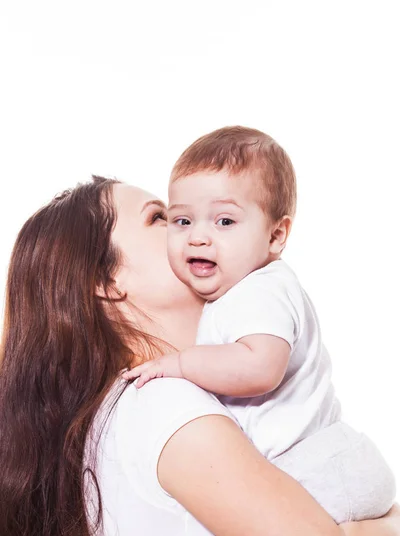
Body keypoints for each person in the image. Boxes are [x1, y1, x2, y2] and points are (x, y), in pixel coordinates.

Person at [0, 175, 398, 536]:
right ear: (106, 280)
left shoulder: (117, 413)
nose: (188, 229)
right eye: (161, 218)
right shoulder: (166, 403)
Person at [124, 126, 396, 524]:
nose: (198, 236)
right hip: (312, 463)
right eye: (181, 221)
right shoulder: (233, 294)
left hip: (319, 464)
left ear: (276, 235)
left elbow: (260, 367)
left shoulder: (260, 291)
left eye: (225, 222)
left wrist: (181, 364)